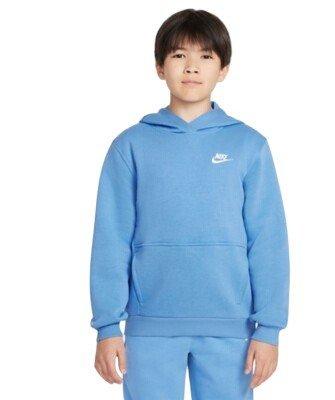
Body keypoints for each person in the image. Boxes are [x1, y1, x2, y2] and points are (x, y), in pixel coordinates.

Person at [89, 8, 290, 400]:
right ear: (159, 67)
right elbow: (111, 239)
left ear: (224, 69)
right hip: (149, 327)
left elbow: (268, 241)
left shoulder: (248, 146)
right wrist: (108, 327)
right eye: (179, 55)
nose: (192, 67)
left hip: (232, 329)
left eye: (206, 56)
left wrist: (268, 329)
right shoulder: (130, 146)